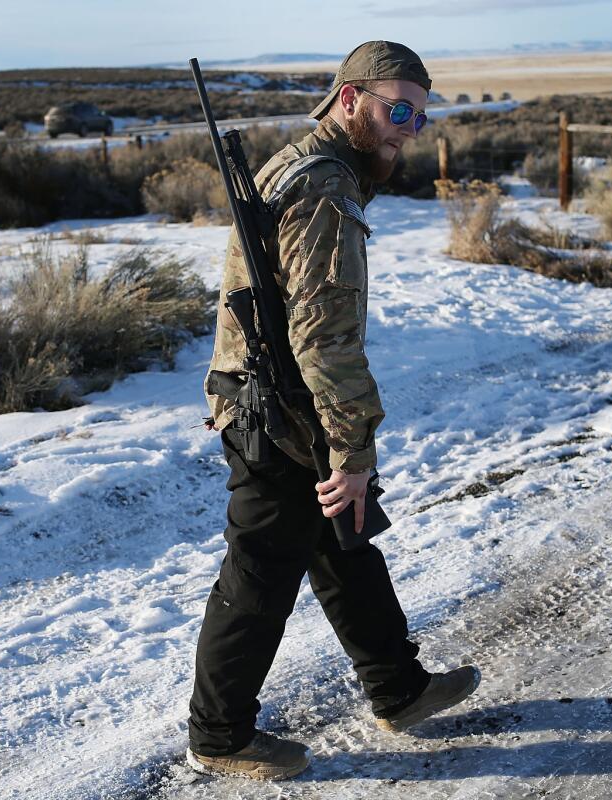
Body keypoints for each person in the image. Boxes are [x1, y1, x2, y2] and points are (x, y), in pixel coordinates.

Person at [186, 41, 481, 781]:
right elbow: (325, 339)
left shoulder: (305, 165)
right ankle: (219, 735)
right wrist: (352, 451)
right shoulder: (324, 190)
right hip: (275, 409)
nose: (409, 128)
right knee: (260, 571)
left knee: (344, 541)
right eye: (398, 109)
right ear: (349, 100)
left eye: (420, 113)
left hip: (277, 398)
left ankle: (399, 688)